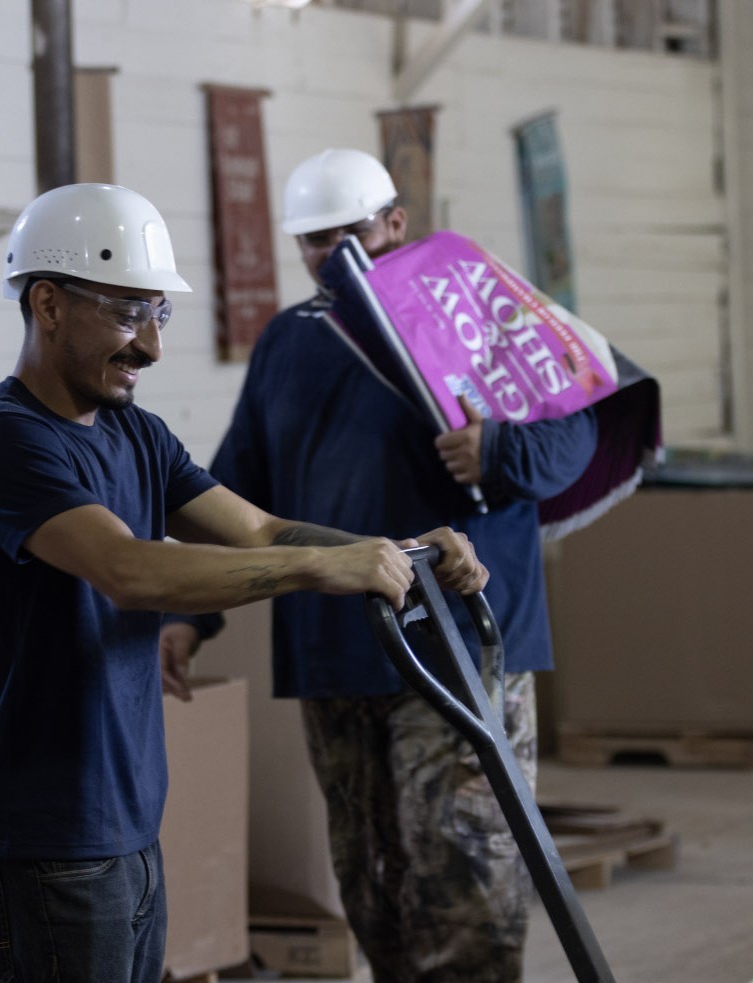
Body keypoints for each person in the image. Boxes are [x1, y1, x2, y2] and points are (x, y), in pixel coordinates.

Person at [0, 181, 489, 983]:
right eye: (127, 313)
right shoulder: (6, 442)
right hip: (45, 834)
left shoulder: (136, 434)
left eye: (159, 314)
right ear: (48, 303)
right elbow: (128, 569)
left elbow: (259, 530)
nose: (150, 346)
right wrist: (320, 566)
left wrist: (396, 552)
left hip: (125, 824)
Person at [162, 149, 599, 983]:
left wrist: (497, 449)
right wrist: (185, 614)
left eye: (349, 233)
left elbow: (573, 438)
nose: (330, 254)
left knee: (463, 881)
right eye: (312, 241)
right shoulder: (290, 342)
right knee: (373, 880)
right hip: (334, 651)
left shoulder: (476, 317)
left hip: (458, 648)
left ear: (396, 223)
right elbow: (233, 491)